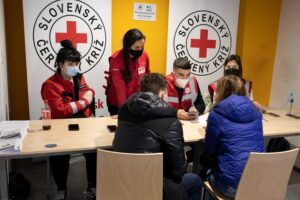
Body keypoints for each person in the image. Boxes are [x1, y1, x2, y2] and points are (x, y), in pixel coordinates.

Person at [113, 73, 202, 200]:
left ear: (141, 90)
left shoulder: (124, 109)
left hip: (123, 181)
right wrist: (184, 158)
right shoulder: (171, 122)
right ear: (163, 93)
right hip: (154, 187)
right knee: (195, 181)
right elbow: (179, 170)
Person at [41, 40, 96, 200]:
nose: (74, 67)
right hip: (60, 127)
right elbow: (61, 110)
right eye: (70, 63)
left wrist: (89, 93)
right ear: (60, 63)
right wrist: (85, 102)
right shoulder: (50, 85)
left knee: (94, 153)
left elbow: (87, 90)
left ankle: (92, 186)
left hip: (82, 123)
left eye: (76, 63)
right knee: (59, 157)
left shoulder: (78, 76)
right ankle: (61, 189)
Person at [201, 75, 264, 199]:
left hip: (231, 187)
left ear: (220, 92)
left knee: (203, 169)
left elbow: (209, 150)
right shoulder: (256, 111)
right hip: (257, 182)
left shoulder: (216, 113)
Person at [105, 28, 150, 115]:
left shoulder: (145, 56)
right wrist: (124, 109)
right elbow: (119, 87)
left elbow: (146, 78)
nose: (140, 50)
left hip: (136, 101)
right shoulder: (116, 59)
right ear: (128, 46)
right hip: (117, 103)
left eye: (142, 46)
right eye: (137, 47)